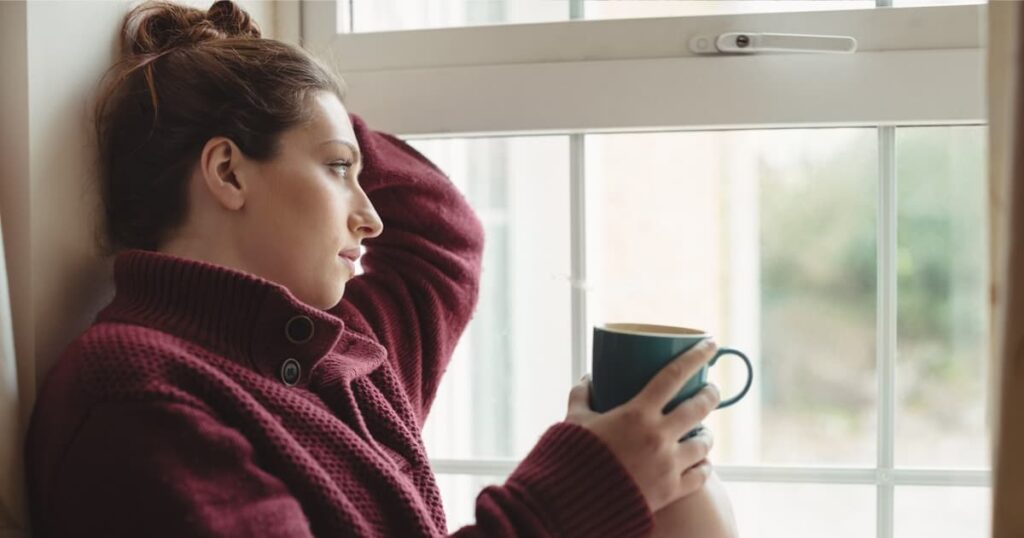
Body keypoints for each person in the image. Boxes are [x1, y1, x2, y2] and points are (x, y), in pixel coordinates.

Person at [24, 1, 736, 536]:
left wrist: (254, 77)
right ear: (226, 172)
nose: (372, 216)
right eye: (339, 170)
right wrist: (578, 489)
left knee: (684, 480)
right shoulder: (136, 396)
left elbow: (440, 233)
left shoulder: (342, 355)